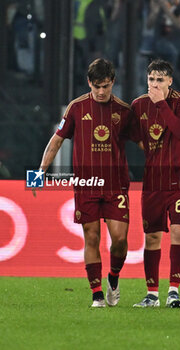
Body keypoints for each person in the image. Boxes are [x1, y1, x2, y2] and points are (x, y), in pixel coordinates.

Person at [34, 58, 139, 307]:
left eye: (105, 86)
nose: (101, 92)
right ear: (89, 83)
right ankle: (97, 294)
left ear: (113, 82)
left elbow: (145, 143)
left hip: (116, 185)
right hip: (86, 184)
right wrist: (40, 172)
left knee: (120, 240)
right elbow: (56, 141)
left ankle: (113, 278)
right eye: (96, 86)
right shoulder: (76, 108)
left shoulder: (124, 111)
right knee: (91, 237)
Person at [131, 59, 180, 308]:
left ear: (170, 81)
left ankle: (174, 291)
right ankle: (152, 295)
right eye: (151, 79)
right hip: (154, 180)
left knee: (179, 231)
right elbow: (132, 135)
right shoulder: (138, 106)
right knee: (152, 237)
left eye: (160, 80)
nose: (155, 84)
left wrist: (160, 105)